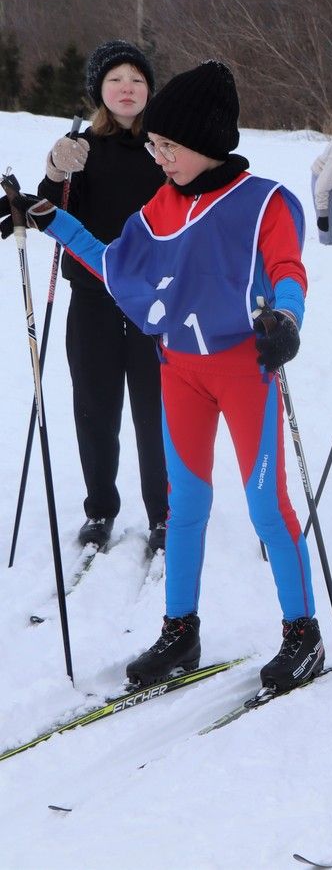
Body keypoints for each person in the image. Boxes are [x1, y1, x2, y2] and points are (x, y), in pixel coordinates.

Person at [3, 61, 323, 693]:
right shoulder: (160, 206)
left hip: (244, 370)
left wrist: (287, 317)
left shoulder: (261, 201)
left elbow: (288, 267)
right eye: (155, 145)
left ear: (204, 143)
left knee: (267, 505)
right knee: (184, 506)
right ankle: (181, 630)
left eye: (168, 146)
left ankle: (302, 634)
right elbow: (115, 265)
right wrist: (51, 218)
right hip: (179, 370)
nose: (159, 156)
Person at [34, 40, 167, 556]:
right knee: (95, 407)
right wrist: (56, 165)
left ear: (148, 89)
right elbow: (52, 205)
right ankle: (99, 509)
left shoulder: (166, 147)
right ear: (100, 91)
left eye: (136, 78)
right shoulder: (80, 146)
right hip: (91, 297)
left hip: (154, 301)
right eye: (116, 80)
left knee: (155, 410)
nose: (127, 88)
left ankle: (164, 511)